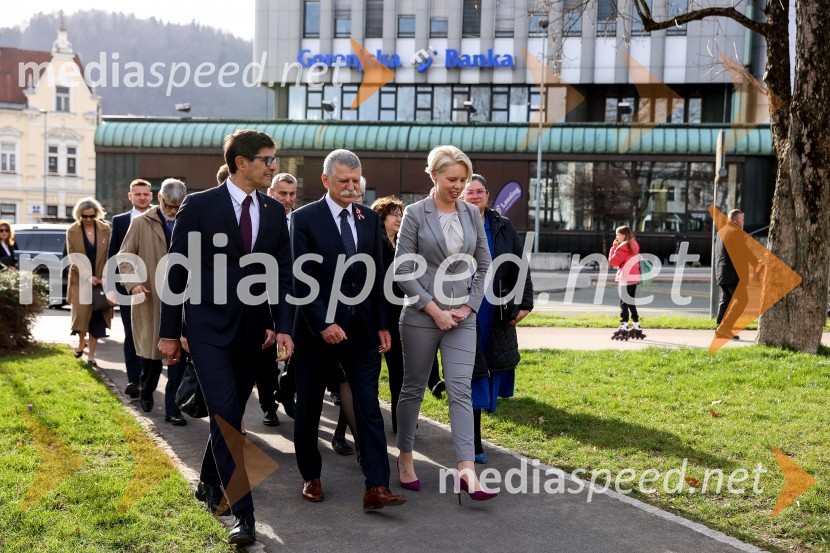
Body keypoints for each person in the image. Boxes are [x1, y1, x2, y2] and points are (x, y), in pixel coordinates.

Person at [158, 129, 294, 546]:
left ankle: (207, 481)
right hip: (207, 331)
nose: (273, 166)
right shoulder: (200, 205)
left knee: (228, 414)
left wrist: (282, 325)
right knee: (228, 418)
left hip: (252, 333)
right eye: (267, 159)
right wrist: (169, 332)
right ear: (241, 163)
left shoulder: (273, 211)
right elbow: (176, 270)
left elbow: (283, 273)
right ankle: (243, 514)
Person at [291, 149, 406, 511]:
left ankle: (377, 486)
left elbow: (379, 276)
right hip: (316, 333)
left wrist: (383, 324)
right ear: (326, 180)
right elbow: (300, 278)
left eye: (356, 181)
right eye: (343, 181)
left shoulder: (368, 219)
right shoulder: (304, 219)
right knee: (309, 407)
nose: (351, 187)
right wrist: (323, 323)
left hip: (362, 331)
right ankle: (311, 476)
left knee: (368, 407)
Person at [394, 145, 495, 502]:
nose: (459, 186)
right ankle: (405, 456)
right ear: (434, 175)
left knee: (461, 390)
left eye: (463, 180)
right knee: (413, 388)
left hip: (462, 318)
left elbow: (485, 265)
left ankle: (467, 470)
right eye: (452, 179)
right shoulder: (415, 213)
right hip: (422, 316)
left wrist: (469, 306)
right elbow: (402, 269)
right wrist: (433, 309)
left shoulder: (471, 213)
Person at [460, 174, 533, 464]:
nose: (475, 196)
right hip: (464, 307)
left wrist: (525, 302)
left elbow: (520, 265)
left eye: (479, 191)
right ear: (462, 196)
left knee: (489, 369)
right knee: (471, 373)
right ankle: (474, 442)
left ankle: (473, 437)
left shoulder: (503, 225)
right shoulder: (454, 223)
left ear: (488, 195)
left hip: (496, 307)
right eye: (469, 192)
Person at [117, 179, 188, 424]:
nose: (173, 211)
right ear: (160, 199)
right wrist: (133, 283)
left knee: (178, 355)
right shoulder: (140, 222)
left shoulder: (190, 220)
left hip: (181, 300)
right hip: (150, 298)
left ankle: (172, 408)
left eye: (177, 206)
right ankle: (146, 390)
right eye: (169, 206)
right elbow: (125, 257)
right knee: (151, 357)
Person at [108, 179, 153, 398]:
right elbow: (113, 255)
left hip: (155, 288)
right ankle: (134, 380)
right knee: (131, 334)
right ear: (130, 196)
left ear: (152, 196)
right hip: (127, 288)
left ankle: (149, 377)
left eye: (145, 194)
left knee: (153, 334)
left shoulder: (159, 218)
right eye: (138, 194)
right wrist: (111, 288)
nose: (142, 197)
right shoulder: (120, 221)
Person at [261, 172, 299, 422]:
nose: (287, 199)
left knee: (297, 349)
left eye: (292, 194)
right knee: (266, 354)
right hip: (263, 295)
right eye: (282, 193)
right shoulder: (262, 218)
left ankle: (287, 389)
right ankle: (268, 406)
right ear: (271, 192)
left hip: (295, 296)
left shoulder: (301, 220)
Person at [370, 195, 405, 433]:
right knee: (371, 372)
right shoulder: (375, 244)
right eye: (394, 214)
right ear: (381, 217)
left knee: (398, 371)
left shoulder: (402, 244)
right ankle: (367, 421)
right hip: (377, 314)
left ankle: (399, 421)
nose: (399, 218)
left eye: (401, 214)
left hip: (398, 312)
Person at [66, 198, 113, 367]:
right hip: (80, 280)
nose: (88, 219)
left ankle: (91, 356)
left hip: (101, 281)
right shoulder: (72, 231)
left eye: (91, 216)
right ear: (79, 215)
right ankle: (81, 341)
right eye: (84, 216)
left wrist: (105, 277)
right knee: (81, 318)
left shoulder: (105, 229)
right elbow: (73, 256)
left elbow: (110, 254)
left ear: (96, 214)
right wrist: (88, 276)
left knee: (97, 319)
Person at [715, 209, 747, 340]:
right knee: (741, 301)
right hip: (732, 274)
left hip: (722, 272)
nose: (743, 221)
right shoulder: (735, 232)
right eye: (742, 219)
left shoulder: (721, 232)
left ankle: (720, 328)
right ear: (736, 220)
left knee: (726, 301)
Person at [608, 225, 643, 340]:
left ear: (623, 235)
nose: (616, 237)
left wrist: (614, 247)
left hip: (626, 277)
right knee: (630, 302)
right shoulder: (634, 244)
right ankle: (636, 325)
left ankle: (624, 326)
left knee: (623, 303)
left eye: (618, 235)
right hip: (634, 277)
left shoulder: (623, 246)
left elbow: (613, 262)